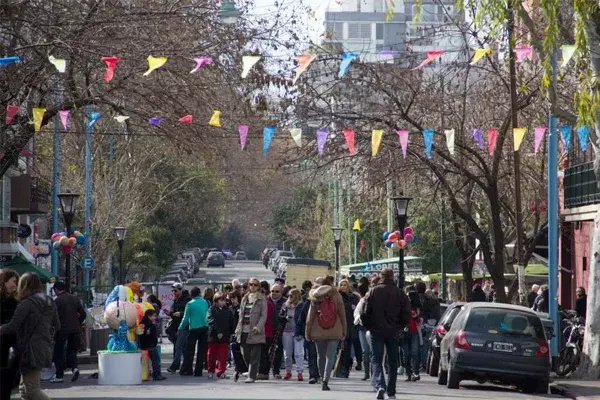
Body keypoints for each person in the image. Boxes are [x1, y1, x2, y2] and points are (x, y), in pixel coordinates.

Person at [0, 272, 60, 400]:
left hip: (29, 350)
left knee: (32, 390)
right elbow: (57, 325)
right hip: (44, 347)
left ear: (24, 285)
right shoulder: (49, 301)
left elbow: (13, 326)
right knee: (24, 390)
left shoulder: (26, 303)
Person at [362, 268, 410, 400]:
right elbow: (406, 313)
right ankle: (391, 390)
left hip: (376, 330)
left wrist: (369, 326)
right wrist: (400, 326)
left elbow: (364, 312)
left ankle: (380, 385)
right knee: (393, 361)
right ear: (392, 276)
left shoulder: (373, 292)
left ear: (381, 276)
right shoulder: (400, 293)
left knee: (376, 359)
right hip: (393, 331)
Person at [305, 275, 346, 391]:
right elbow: (342, 315)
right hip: (335, 329)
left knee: (320, 356)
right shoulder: (336, 295)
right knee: (330, 356)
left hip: (318, 330)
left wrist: (307, 332)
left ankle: (322, 376)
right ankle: (325, 381)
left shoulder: (315, 296)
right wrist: (344, 330)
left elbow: (310, 317)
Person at [51, 281, 86, 383]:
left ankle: (59, 375)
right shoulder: (74, 299)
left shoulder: (57, 301)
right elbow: (83, 314)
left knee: (59, 352)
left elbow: (54, 317)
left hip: (61, 330)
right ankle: (74, 368)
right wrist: (78, 322)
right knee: (72, 350)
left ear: (56, 289)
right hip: (75, 329)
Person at [235, 277, 268, 383]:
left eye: (255, 285)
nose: (252, 286)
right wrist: (237, 328)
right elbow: (241, 315)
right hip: (244, 329)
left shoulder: (262, 299)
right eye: (251, 284)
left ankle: (252, 376)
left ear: (258, 287)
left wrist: (258, 327)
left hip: (256, 331)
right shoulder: (245, 297)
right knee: (245, 354)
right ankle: (251, 370)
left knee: (255, 355)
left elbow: (264, 316)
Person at [179, 286, 209, 377]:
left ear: (191, 295)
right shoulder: (205, 302)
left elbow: (185, 318)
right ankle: (198, 371)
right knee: (201, 350)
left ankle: (188, 369)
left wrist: (180, 328)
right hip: (204, 327)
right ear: (199, 293)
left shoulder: (190, 304)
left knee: (189, 350)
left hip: (194, 328)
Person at [0, 269, 19, 400]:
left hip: (12, 344)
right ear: (4, 281)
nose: (15, 285)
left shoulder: (15, 301)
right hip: (3, 344)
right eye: (13, 281)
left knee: (9, 378)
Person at [207, 292, 234, 379]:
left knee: (223, 357)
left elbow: (231, 322)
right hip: (213, 336)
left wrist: (232, 332)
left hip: (225, 336)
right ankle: (211, 370)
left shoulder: (228, 310)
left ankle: (221, 371)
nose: (223, 302)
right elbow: (211, 321)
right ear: (216, 301)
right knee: (211, 356)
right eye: (221, 300)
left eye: (224, 300)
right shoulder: (211, 309)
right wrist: (218, 332)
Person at [279, 288, 304, 381]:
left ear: (296, 296)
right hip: (286, 331)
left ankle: (300, 372)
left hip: (297, 332)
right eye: (288, 295)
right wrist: (285, 317)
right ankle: (288, 371)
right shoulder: (285, 305)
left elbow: (304, 319)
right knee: (287, 354)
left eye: (291, 295)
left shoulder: (301, 306)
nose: (289, 297)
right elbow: (280, 316)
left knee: (298, 353)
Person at [297, 280, 319, 384]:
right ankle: (313, 375)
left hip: (324, 333)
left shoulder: (327, 302)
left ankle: (321, 375)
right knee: (312, 354)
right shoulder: (308, 303)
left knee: (321, 355)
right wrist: (299, 332)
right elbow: (301, 318)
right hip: (311, 333)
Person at [167, 284, 191, 373]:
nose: (174, 292)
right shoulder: (176, 300)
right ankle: (186, 367)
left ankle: (175, 366)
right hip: (176, 326)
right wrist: (170, 313)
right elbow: (173, 312)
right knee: (182, 347)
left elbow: (189, 312)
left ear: (180, 290)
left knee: (178, 346)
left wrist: (180, 313)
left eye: (175, 290)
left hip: (184, 326)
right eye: (173, 291)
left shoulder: (187, 300)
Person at [139, 309, 166, 381]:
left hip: (145, 345)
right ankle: (157, 375)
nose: (155, 317)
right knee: (156, 360)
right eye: (154, 316)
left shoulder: (142, 323)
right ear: (149, 316)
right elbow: (150, 335)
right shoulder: (150, 325)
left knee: (154, 360)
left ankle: (157, 374)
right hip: (150, 346)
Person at [402, 290, 423, 383]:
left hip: (414, 332)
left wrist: (416, 317)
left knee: (414, 353)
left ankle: (415, 372)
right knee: (406, 354)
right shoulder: (403, 306)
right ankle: (408, 373)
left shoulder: (417, 308)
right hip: (404, 333)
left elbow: (420, 321)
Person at [337, 279, 356, 378]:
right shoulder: (336, 297)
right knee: (339, 349)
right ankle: (338, 369)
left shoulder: (353, 297)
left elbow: (356, 310)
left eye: (345, 285)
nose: (343, 287)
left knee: (346, 348)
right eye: (341, 285)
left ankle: (345, 370)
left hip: (350, 326)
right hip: (338, 326)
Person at [228, 291, 247, 381]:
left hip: (242, 332)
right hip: (233, 333)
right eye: (231, 298)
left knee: (242, 352)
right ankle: (237, 369)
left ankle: (242, 369)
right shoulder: (230, 308)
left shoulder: (241, 307)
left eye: (234, 298)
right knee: (234, 351)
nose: (233, 300)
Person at [257, 281, 275, 380]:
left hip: (264, 332)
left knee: (263, 353)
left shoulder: (266, 303)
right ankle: (263, 372)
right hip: (265, 332)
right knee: (264, 353)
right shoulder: (268, 303)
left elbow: (264, 318)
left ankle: (263, 372)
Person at [354, 282, 371, 381]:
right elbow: (356, 313)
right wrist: (359, 319)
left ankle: (371, 372)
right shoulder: (362, 301)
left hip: (370, 328)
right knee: (365, 351)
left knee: (370, 351)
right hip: (362, 328)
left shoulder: (375, 302)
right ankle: (366, 372)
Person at [268, 283, 285, 379]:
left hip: (280, 330)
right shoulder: (266, 300)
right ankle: (264, 371)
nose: (274, 293)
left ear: (281, 292)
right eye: (272, 291)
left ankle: (276, 371)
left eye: (276, 291)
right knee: (265, 351)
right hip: (267, 330)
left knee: (278, 351)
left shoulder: (285, 302)